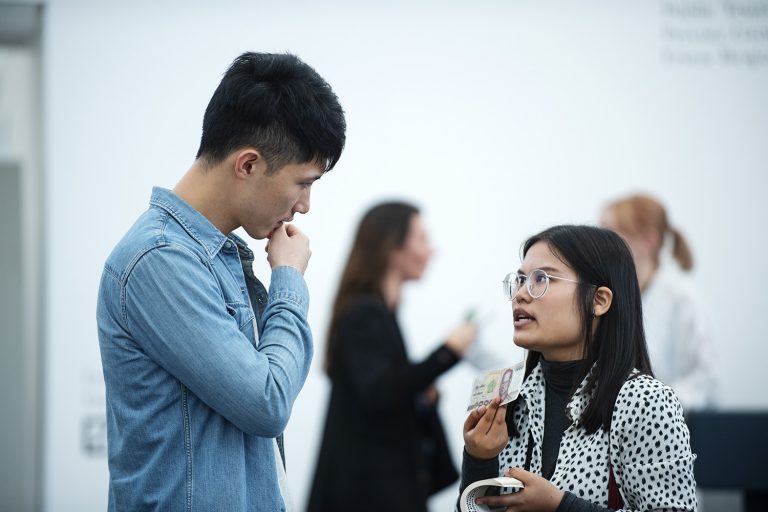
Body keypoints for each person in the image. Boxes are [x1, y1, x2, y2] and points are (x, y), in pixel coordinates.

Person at [96, 52, 346, 511]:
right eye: (302, 183)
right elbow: (266, 401)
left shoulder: (213, 255)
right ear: (248, 164)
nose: (305, 205)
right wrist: (289, 279)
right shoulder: (161, 259)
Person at [459, 225, 697, 512]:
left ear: (599, 301)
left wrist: (561, 507)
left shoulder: (645, 400)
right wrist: (478, 459)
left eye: (541, 279)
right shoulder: (510, 399)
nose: (520, 294)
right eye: (520, 280)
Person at [308, 201, 477, 512]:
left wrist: (422, 392)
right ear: (392, 246)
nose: (431, 251)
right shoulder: (365, 312)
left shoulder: (379, 312)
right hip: (368, 495)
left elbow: (388, 388)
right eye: (422, 239)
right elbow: (380, 392)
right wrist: (447, 353)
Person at [600, 193, 716, 410]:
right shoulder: (608, 297)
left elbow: (706, 380)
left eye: (611, 232)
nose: (599, 244)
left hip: (669, 429)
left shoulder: (680, 296)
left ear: (649, 241)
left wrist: (651, 405)